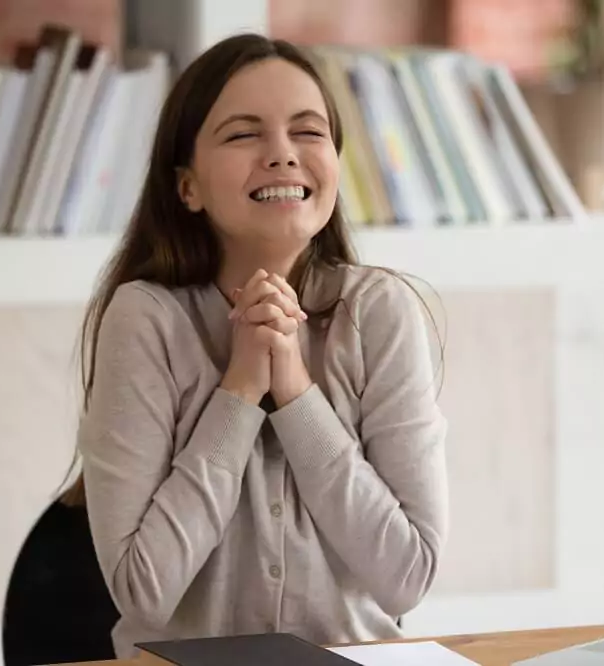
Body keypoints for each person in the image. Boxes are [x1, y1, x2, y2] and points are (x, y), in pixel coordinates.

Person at [68, 32, 449, 659]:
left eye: (308, 131)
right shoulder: (145, 318)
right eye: (244, 134)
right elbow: (144, 590)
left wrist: (296, 391)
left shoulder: (379, 312)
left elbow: (407, 577)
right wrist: (241, 387)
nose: (282, 155)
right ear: (187, 186)